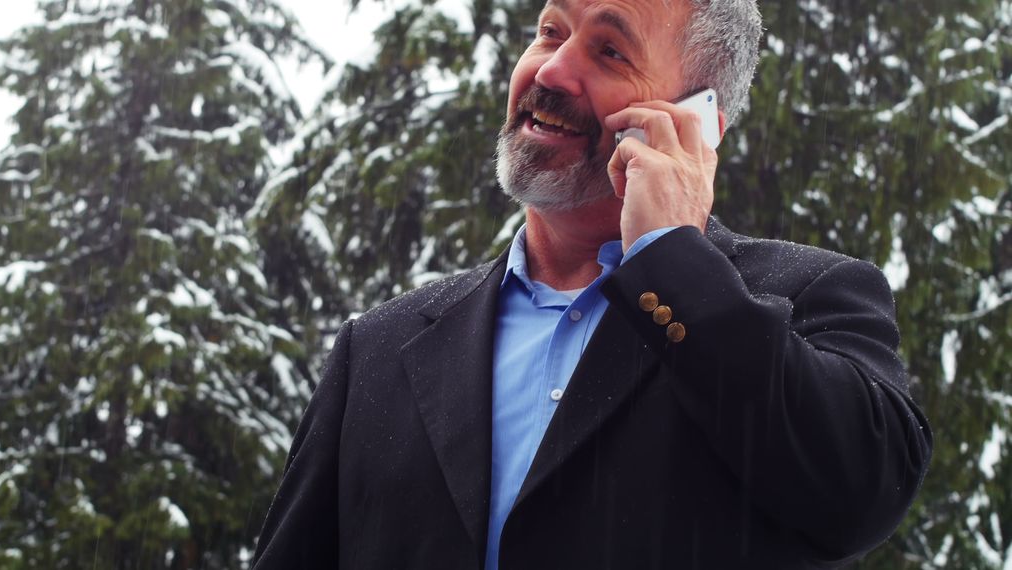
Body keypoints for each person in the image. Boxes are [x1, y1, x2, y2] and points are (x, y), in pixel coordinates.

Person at [252, 0, 933, 568]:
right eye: (550, 30)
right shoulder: (376, 347)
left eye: (609, 52)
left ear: (697, 124)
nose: (551, 69)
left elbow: (860, 497)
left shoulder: (811, 296)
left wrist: (671, 258)